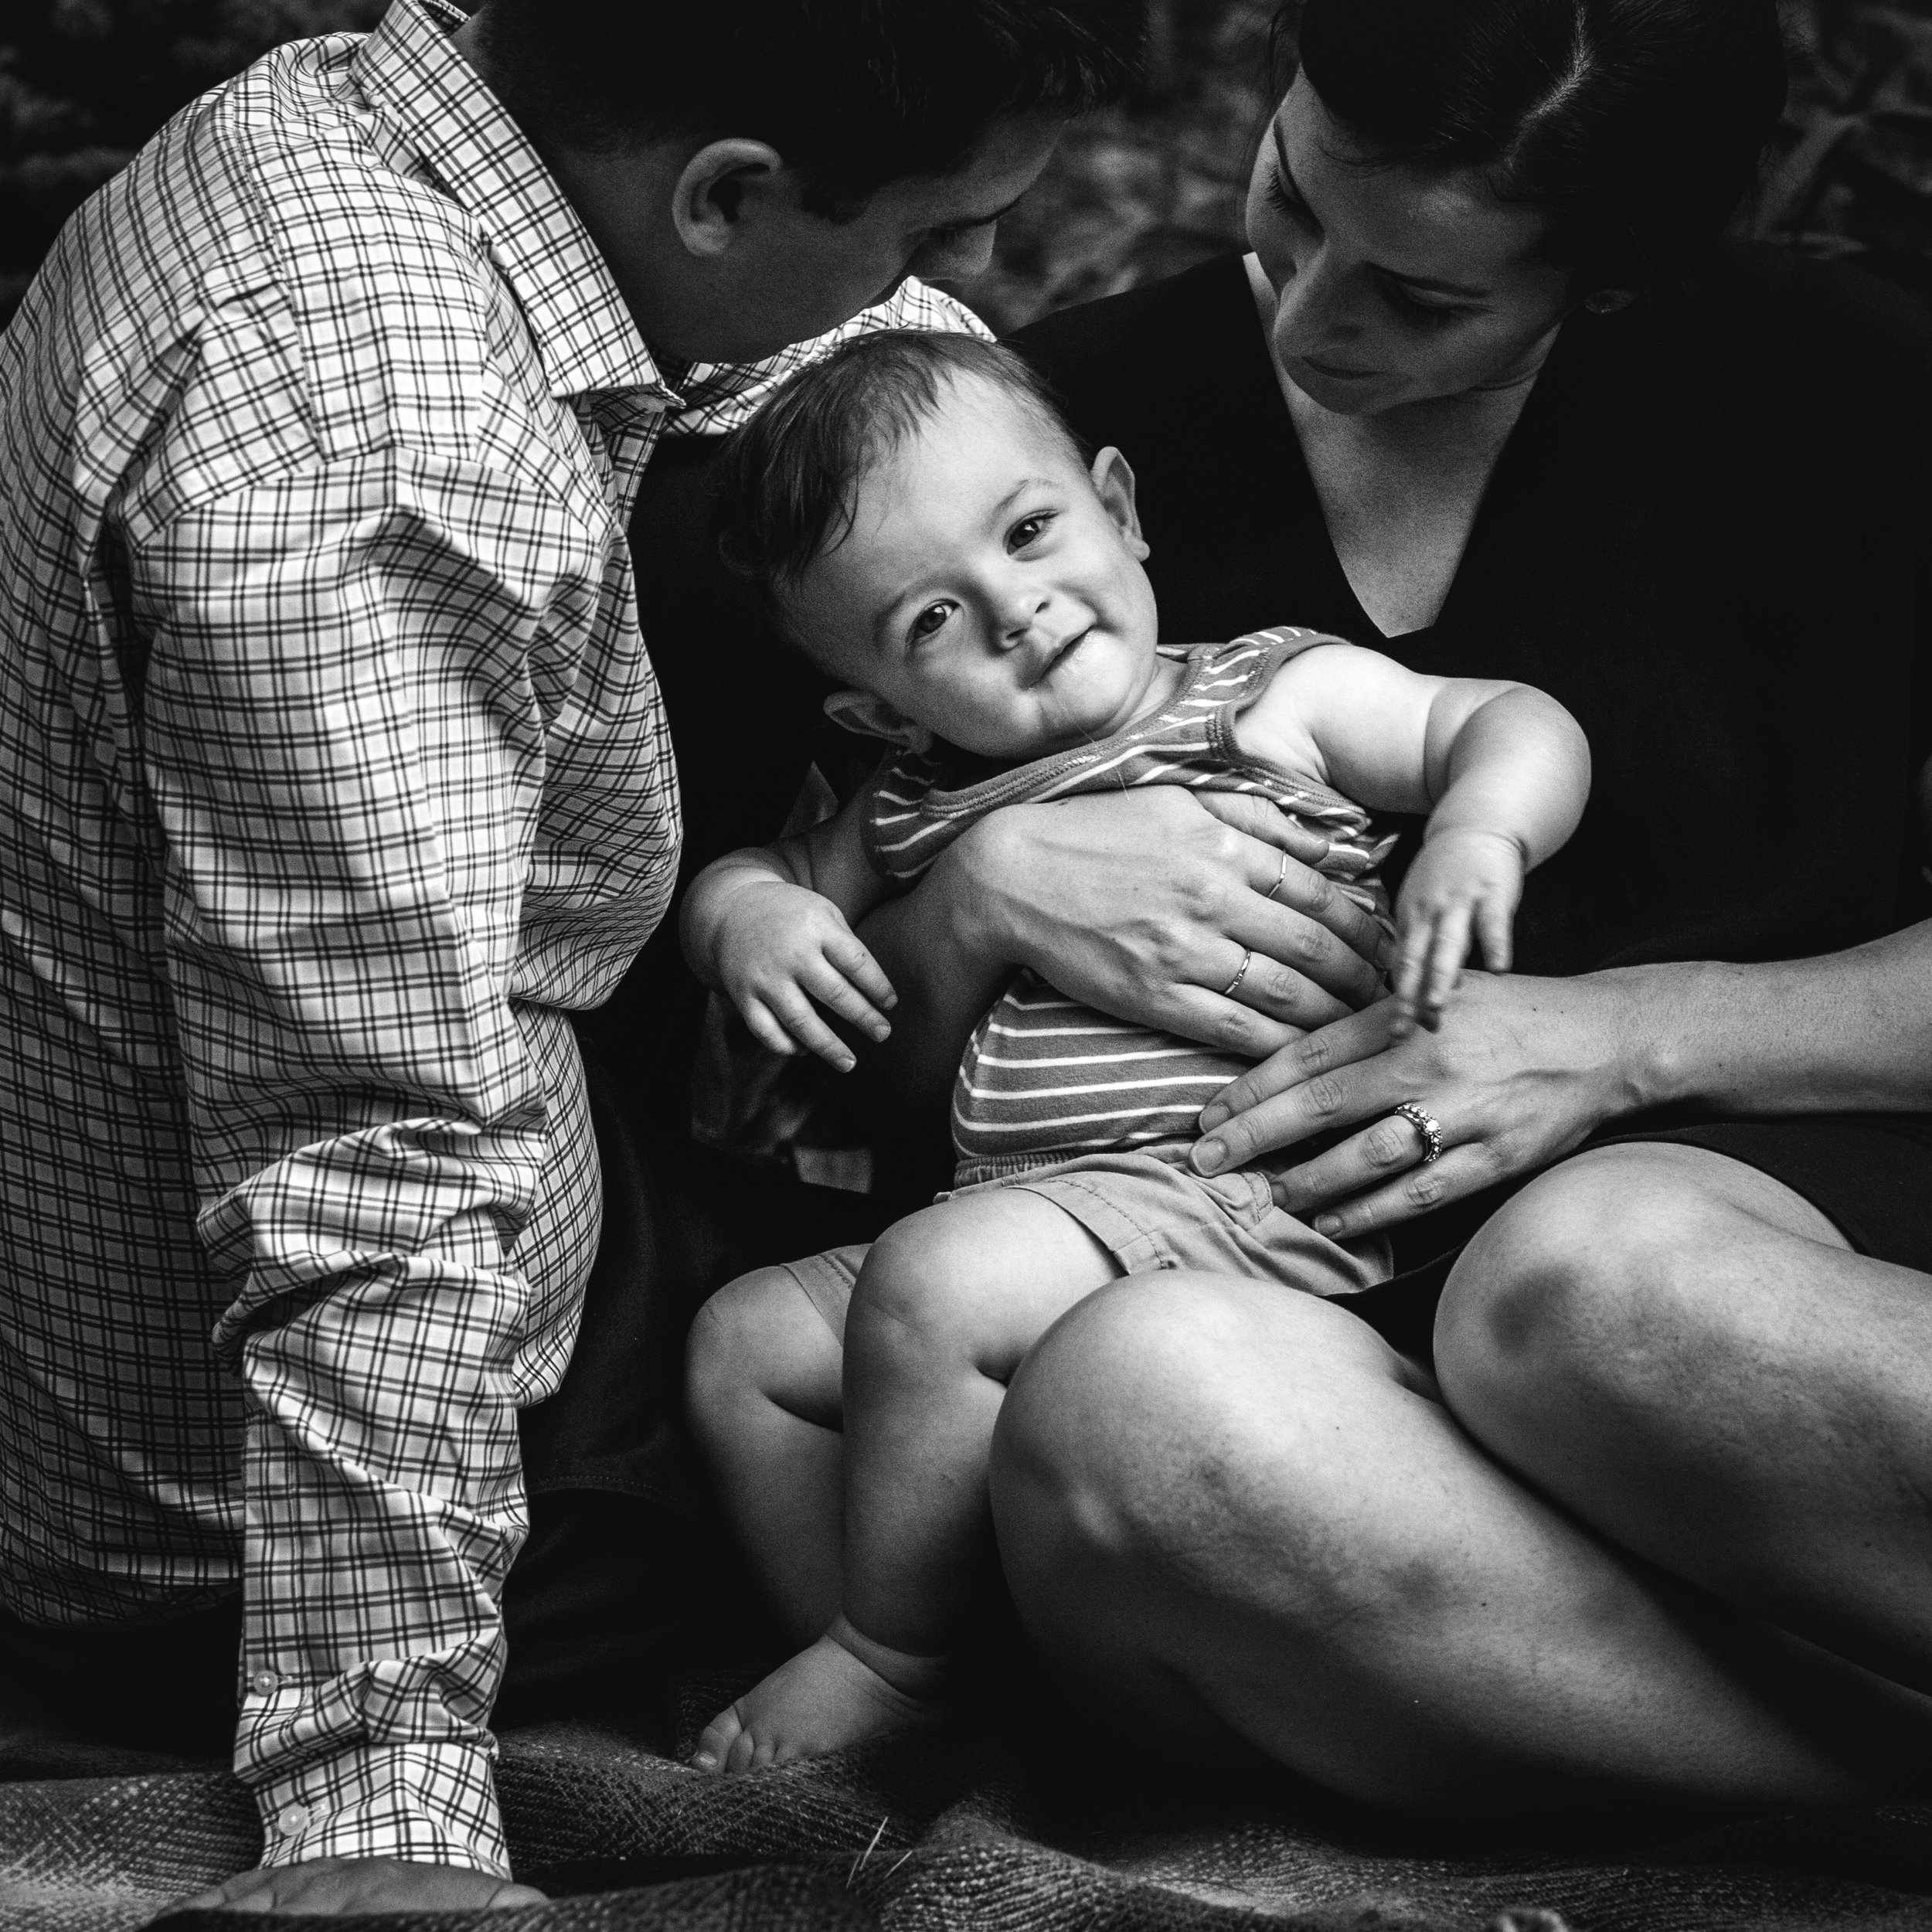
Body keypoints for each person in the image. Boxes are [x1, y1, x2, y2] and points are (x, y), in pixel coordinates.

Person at [0, 0, 1145, 1914]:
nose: (973, 281)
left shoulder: (369, 119)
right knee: (1056, 1463)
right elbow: (366, 1151)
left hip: (338, 1190)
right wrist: (386, 1799)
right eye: (939, 233)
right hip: (271, 1487)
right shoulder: (378, 461)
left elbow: (808, 335)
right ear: (722, 196)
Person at [893, 0, 1929, 1815]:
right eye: (1290, 199)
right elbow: (804, 1062)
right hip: (1299, 1351)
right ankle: (1865, 1788)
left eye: (1419, 296)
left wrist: (1621, 1039)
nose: (1304, 320)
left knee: (1584, 1286)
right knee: (1123, 1403)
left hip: (1747, 1240)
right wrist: (977, 893)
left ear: (1606, 284)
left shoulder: (1842, 392)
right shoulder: (1030, 448)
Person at [672, 328, 1589, 1770]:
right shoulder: (909, 804)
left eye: (1031, 532)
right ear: (872, 708)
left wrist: (1479, 828)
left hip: (1250, 1198)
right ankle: (925, 1668)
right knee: (750, 1351)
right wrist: (746, 927)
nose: (1017, 610)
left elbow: (1505, 720)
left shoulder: (1270, 702)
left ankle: (889, 1659)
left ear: (1121, 505)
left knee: (931, 1281)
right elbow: (755, 876)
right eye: (931, 622)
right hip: (1021, 1225)